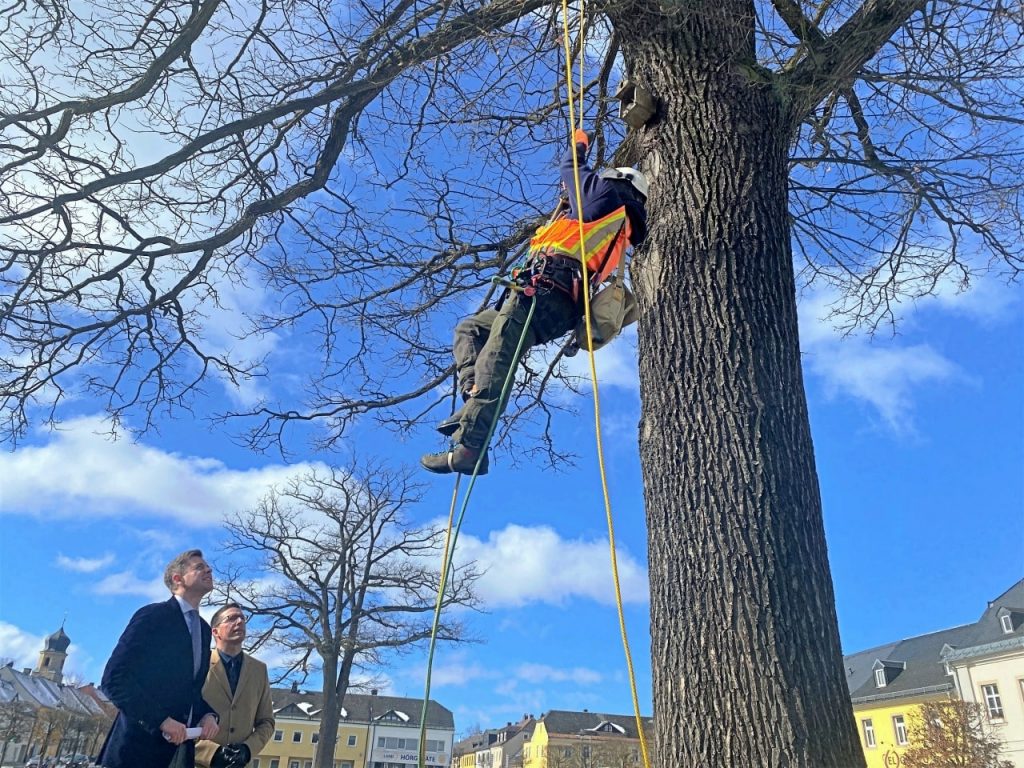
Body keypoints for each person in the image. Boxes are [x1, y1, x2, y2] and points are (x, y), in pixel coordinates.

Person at [420, 129, 649, 475]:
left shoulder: (605, 198)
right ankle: (473, 396)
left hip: (545, 291)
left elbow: (571, 167)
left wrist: (579, 144)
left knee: (498, 356)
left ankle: (471, 446)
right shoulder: (613, 225)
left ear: (616, 182)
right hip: (556, 301)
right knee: (471, 330)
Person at [98, 549, 220, 768]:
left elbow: (188, 691)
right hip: (136, 752)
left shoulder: (203, 630)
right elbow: (114, 679)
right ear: (177, 578)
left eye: (207, 566)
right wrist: (161, 721)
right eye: (199, 567)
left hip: (177, 755)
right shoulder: (153, 617)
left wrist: (209, 715)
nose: (209, 569)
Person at [195, 603, 275, 768]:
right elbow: (182, 717)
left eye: (242, 618)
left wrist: (247, 750)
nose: (239, 621)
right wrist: (211, 753)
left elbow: (266, 721)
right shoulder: (198, 663)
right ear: (215, 631)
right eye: (231, 618)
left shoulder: (259, 670)